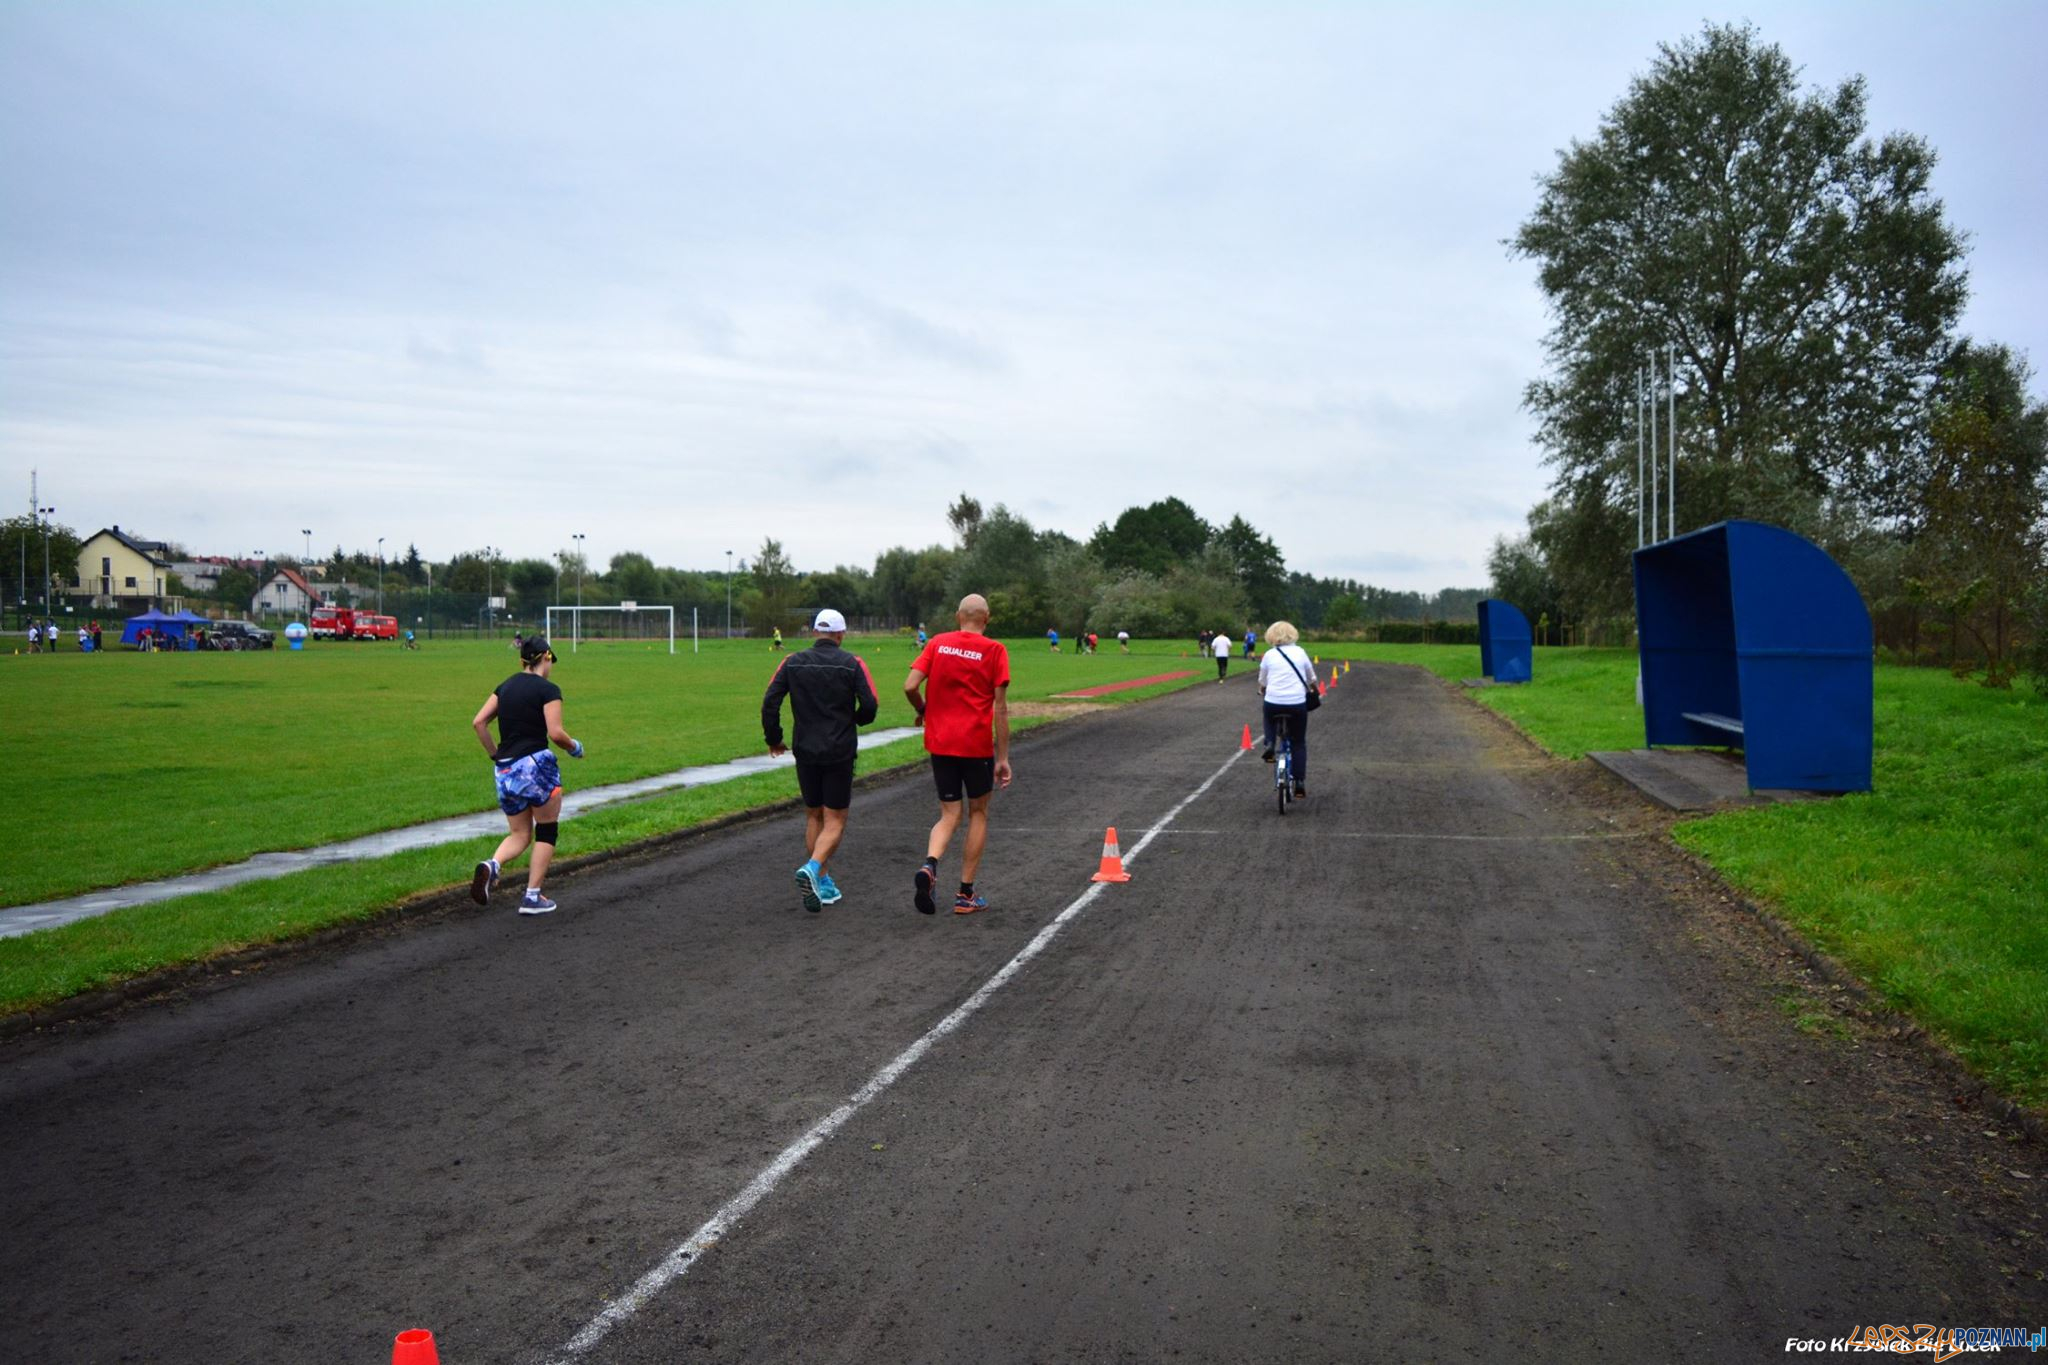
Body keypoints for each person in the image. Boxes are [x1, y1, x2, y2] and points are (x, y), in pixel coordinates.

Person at [761, 608, 880, 912]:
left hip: (805, 749)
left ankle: (822, 882)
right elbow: (870, 704)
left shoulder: (791, 662)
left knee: (813, 814)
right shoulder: (853, 663)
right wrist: (854, 720)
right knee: (836, 819)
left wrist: (774, 738)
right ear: (840, 634)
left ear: (815, 632)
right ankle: (813, 869)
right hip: (839, 750)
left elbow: (769, 702)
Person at [905, 594, 1012, 915]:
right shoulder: (995, 650)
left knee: (949, 814)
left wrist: (923, 711)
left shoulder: (937, 643)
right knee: (977, 812)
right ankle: (965, 894)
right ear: (987, 618)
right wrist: (1003, 757)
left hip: (940, 742)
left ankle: (929, 865)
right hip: (975, 744)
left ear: (957, 616)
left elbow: (910, 686)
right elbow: (1001, 708)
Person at [469, 636, 584, 915]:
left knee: (520, 834)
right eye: (551, 660)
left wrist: (495, 755)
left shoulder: (505, 687)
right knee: (547, 828)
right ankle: (532, 897)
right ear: (545, 657)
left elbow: (479, 722)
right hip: (535, 764)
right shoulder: (548, 690)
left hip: (505, 770)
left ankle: (492, 865)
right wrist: (574, 746)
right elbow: (555, 733)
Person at [1257, 620, 1317, 799]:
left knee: (1268, 717)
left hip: (1274, 702)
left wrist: (1261, 689)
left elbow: (1263, 679)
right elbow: (1310, 676)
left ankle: (1269, 743)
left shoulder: (1269, 654)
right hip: (1297, 704)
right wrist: (1314, 687)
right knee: (1298, 742)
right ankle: (1299, 783)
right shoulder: (1300, 652)